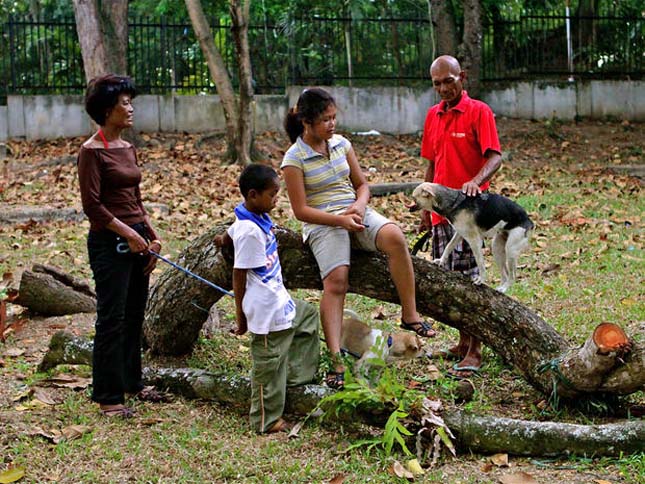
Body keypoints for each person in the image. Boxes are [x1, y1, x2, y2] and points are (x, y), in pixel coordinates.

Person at [281, 87, 436, 390]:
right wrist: (339, 220)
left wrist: (359, 206)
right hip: (323, 223)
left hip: (354, 212)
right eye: (326, 119)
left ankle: (410, 313)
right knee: (337, 281)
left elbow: (362, 185)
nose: (332, 124)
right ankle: (336, 358)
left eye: (334, 117)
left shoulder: (342, 144)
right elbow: (301, 211)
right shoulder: (293, 159)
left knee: (395, 237)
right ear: (307, 122)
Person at [78, 73, 166, 418]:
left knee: (134, 315)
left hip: (137, 237)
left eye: (131, 102)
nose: (130, 109)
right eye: (124, 103)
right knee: (111, 318)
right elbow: (93, 207)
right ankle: (108, 396)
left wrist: (151, 236)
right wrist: (126, 234)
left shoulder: (127, 148)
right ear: (106, 109)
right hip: (109, 242)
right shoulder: (91, 152)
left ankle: (133, 381)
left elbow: (136, 198)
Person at [420, 55, 502, 378]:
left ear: (462, 77)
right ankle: (462, 342)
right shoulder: (432, 116)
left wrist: (475, 181)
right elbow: (431, 163)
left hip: (468, 214)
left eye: (448, 81)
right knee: (450, 281)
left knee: (470, 282)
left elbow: (495, 157)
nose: (443, 88)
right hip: (441, 216)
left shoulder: (479, 112)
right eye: (437, 83)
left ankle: (476, 350)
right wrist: (426, 210)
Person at [223, 163, 319, 433]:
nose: (277, 199)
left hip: (280, 300)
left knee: (308, 317)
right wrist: (241, 318)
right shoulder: (250, 231)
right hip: (265, 310)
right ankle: (266, 419)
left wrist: (223, 239)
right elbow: (238, 277)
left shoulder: (254, 219)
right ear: (253, 195)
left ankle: (296, 378)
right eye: (272, 194)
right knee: (268, 365)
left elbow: (231, 233)